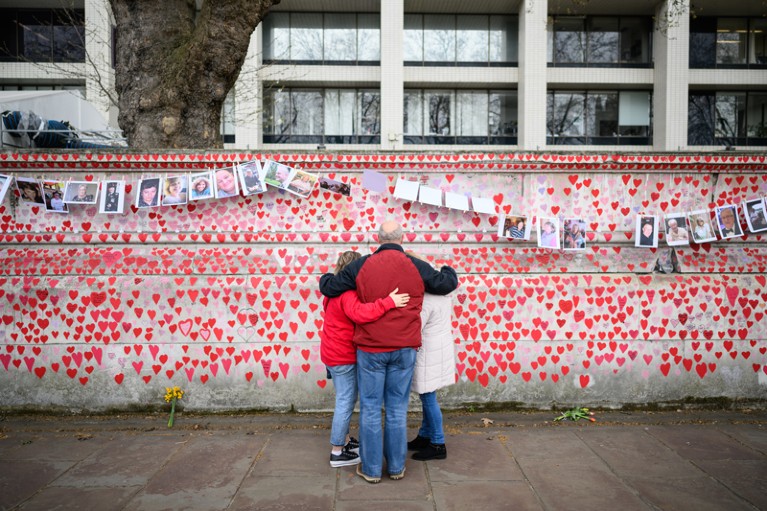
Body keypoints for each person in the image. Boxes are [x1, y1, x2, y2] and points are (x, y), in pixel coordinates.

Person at [319, 220, 458, 484]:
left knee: (371, 409)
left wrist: (327, 276)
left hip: (371, 350)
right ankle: (396, 468)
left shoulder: (361, 266)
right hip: (405, 349)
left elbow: (329, 287)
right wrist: (443, 267)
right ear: (402, 238)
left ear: (378, 238)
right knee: (397, 408)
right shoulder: (416, 266)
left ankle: (371, 471)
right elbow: (445, 283)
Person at [321, 251, 410, 468]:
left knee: (345, 399)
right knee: (346, 401)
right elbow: (362, 314)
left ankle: (343, 441)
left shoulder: (332, 290)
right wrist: (388, 302)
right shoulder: (347, 293)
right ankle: (337, 452)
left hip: (332, 352)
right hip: (342, 356)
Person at [407, 260, 455, 462]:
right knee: (429, 395)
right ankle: (425, 435)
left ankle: (438, 443)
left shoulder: (425, 302)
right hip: (440, 352)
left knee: (428, 397)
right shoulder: (444, 296)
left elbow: (414, 329)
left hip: (428, 354)